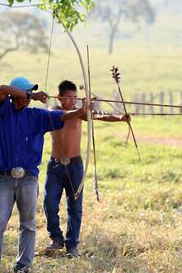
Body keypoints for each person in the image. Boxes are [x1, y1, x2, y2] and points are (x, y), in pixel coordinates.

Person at [0, 77, 89, 273]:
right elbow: (1, 89)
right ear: (15, 94)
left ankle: (23, 265)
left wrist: (82, 110)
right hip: (5, 178)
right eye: (24, 93)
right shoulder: (5, 110)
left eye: (29, 93)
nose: (27, 98)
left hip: (28, 178)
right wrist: (32, 95)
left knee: (28, 224)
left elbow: (65, 116)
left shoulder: (37, 116)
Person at [44, 80, 130, 258]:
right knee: (50, 204)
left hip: (75, 166)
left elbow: (100, 115)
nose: (74, 101)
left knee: (75, 207)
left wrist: (120, 118)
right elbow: (67, 115)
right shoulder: (54, 111)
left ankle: (72, 245)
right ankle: (56, 238)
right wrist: (82, 109)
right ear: (59, 97)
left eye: (76, 98)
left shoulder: (80, 114)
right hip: (55, 166)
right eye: (69, 98)